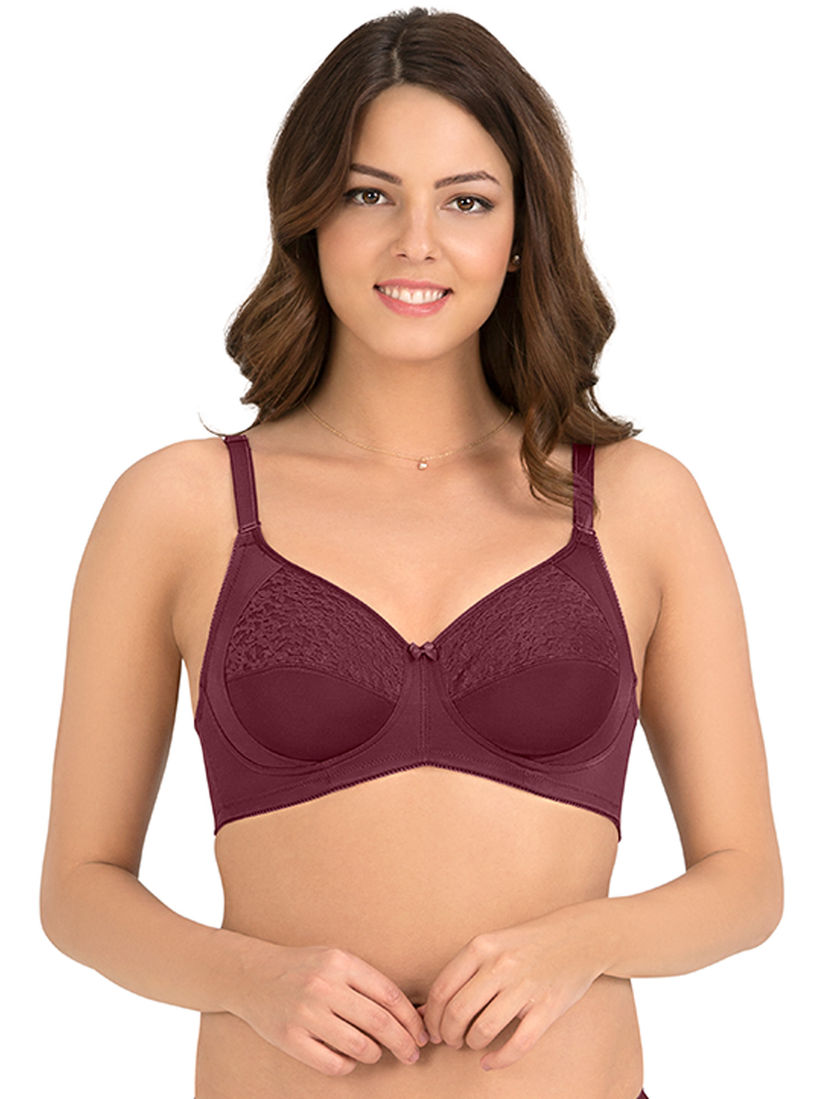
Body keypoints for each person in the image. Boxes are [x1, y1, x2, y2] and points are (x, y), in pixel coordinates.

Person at [39, 7, 783, 1097]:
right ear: (307, 217)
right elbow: (77, 890)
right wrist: (249, 978)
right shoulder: (178, 506)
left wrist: (580, 943)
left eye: (466, 201)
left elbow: (745, 882)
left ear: (521, 233)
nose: (416, 244)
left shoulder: (639, 502)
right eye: (368, 194)